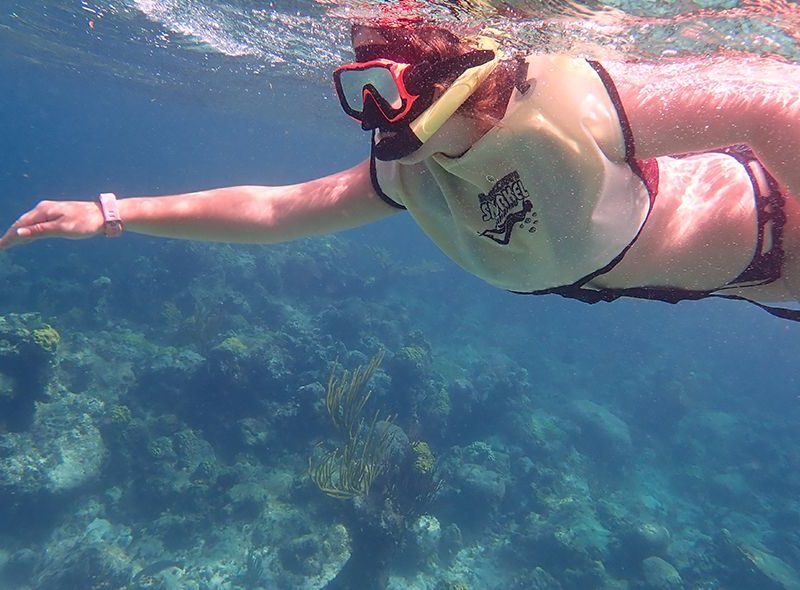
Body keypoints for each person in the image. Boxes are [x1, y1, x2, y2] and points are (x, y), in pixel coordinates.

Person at [2, 22, 800, 319]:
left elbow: (774, 100)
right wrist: (110, 211)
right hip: (740, 284)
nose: (370, 115)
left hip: (780, 235)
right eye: (357, 84)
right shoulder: (413, 175)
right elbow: (277, 211)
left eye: (380, 87)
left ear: (451, 77)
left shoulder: (569, 102)